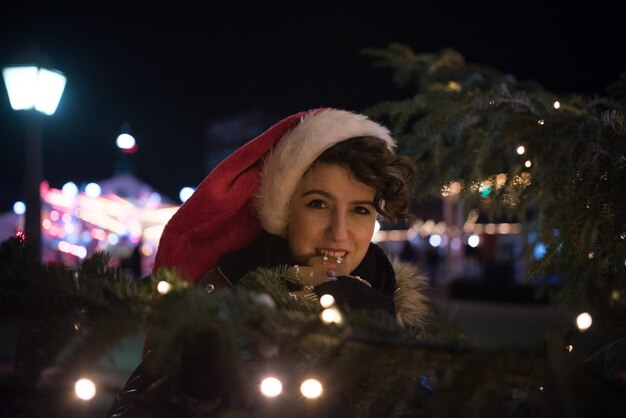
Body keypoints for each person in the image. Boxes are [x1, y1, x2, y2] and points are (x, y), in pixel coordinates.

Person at [107, 108, 430, 417]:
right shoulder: (223, 288)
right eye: (318, 203)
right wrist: (194, 389)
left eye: (360, 209)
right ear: (285, 210)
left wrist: (385, 347)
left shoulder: (396, 306)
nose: (339, 231)